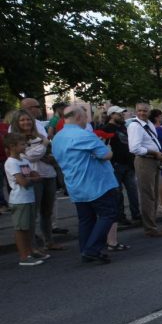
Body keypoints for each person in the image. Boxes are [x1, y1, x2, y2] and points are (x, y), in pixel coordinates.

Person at [51, 104, 120, 264]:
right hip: (96, 184)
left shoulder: (57, 138)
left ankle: (86, 249)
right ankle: (92, 249)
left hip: (75, 184)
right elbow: (106, 154)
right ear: (78, 117)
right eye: (85, 117)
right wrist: (106, 149)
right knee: (108, 214)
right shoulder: (84, 135)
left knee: (86, 219)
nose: (86, 120)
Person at [10, 108, 61, 252]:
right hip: (34, 178)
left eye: (28, 120)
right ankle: (32, 247)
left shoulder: (40, 135)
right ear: (17, 123)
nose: (26, 122)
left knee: (47, 211)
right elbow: (31, 156)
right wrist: (44, 146)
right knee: (33, 213)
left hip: (48, 175)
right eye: (22, 120)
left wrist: (47, 154)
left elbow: (50, 154)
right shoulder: (16, 139)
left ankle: (49, 241)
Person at [4, 132, 49, 266]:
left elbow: (33, 174)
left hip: (28, 198)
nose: (25, 146)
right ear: (12, 146)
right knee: (21, 229)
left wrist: (31, 178)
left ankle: (30, 251)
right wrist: (32, 179)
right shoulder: (11, 162)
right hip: (19, 200)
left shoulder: (23, 160)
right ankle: (24, 256)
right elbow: (23, 181)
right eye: (22, 144)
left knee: (29, 227)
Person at [127, 102, 162, 237]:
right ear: (135, 111)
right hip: (145, 161)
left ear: (149, 112)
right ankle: (150, 228)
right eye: (139, 111)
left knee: (153, 194)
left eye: (145, 111)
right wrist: (154, 153)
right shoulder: (135, 126)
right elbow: (134, 148)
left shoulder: (148, 124)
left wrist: (158, 153)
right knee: (147, 195)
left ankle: (152, 225)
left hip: (153, 160)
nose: (142, 113)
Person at [100, 105, 141, 224]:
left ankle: (136, 213)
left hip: (128, 163)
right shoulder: (107, 128)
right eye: (119, 114)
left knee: (132, 191)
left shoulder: (123, 127)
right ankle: (120, 216)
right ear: (112, 115)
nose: (122, 116)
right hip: (116, 164)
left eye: (122, 114)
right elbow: (103, 145)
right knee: (117, 192)